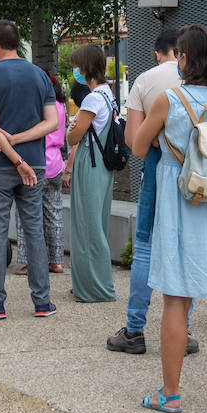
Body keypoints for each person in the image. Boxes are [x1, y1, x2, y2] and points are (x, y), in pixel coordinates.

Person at [128, 25, 207, 413]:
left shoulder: (170, 99)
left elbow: (136, 145)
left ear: (185, 58)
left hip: (183, 203)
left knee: (176, 300)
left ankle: (170, 394)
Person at [107, 29, 198, 356]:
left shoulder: (145, 81)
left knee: (145, 246)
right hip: (200, 173)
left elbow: (133, 141)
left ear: (160, 52)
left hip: (160, 168)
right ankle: (182, 332)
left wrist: (156, 138)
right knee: (187, 249)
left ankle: (134, 329)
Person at [0, 20, 59, 319]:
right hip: (35, 163)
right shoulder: (40, 75)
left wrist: (12, 152)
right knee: (34, 229)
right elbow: (53, 123)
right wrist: (23, 152)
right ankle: (42, 301)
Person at [65, 44, 117, 302]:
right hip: (104, 165)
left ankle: (92, 287)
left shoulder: (92, 99)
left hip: (90, 162)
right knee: (98, 222)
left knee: (86, 225)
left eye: (77, 65)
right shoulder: (109, 94)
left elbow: (74, 135)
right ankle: (96, 282)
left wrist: (71, 128)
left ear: (85, 68)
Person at [16, 70, 68, 277]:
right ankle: (56, 261)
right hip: (55, 164)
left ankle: (27, 262)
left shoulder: (37, 107)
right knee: (54, 213)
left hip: (35, 163)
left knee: (27, 214)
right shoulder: (61, 106)